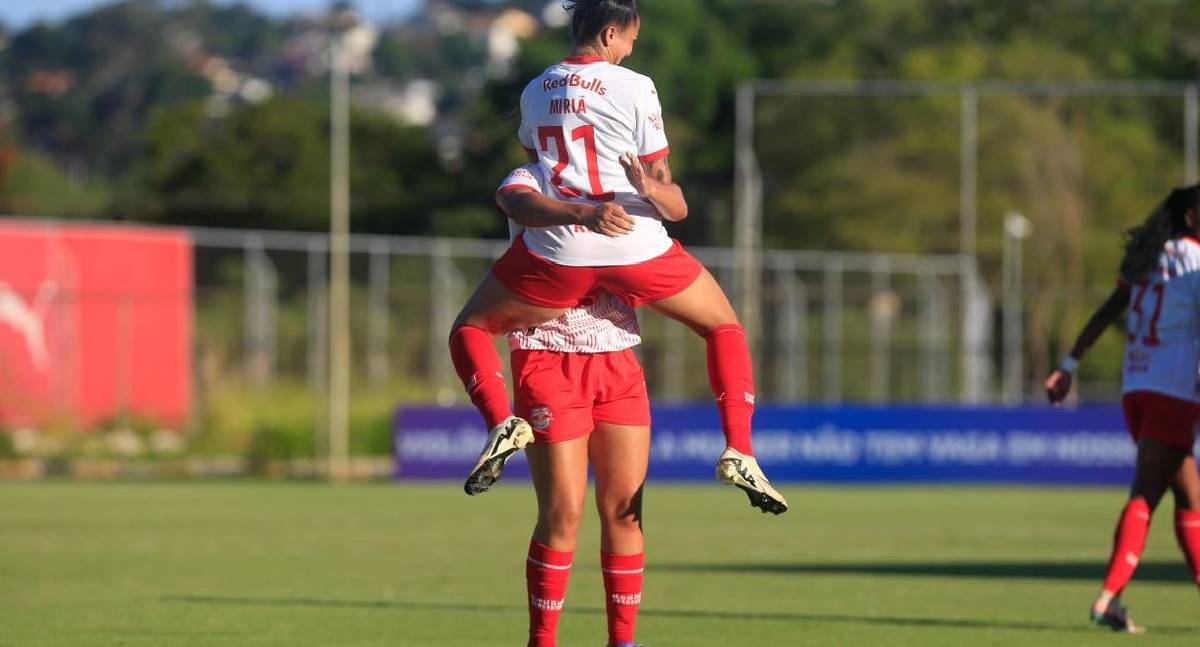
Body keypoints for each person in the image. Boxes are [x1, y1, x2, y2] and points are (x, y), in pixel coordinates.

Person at [450, 0, 786, 514]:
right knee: (723, 327)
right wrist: (644, 184)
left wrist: (578, 213)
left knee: (470, 329)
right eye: (630, 38)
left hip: (560, 251)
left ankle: (500, 419)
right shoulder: (635, 86)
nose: (632, 48)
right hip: (634, 244)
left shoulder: (536, 87)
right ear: (611, 34)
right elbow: (670, 199)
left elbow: (534, 172)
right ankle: (740, 448)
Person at [497, 165, 651, 647]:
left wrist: (656, 190)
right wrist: (586, 214)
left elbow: (666, 223)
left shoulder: (626, 178)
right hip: (547, 354)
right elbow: (515, 201)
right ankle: (542, 641)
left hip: (617, 358)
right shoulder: (532, 175)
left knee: (627, 512)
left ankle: (622, 642)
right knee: (564, 511)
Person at [1046, 185, 1200, 633]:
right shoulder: (1195, 261)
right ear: (1191, 217)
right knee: (1145, 495)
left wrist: (1068, 363)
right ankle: (1108, 597)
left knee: (1189, 496)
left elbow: (1108, 309)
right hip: (1173, 390)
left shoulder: (1147, 258)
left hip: (1136, 389)